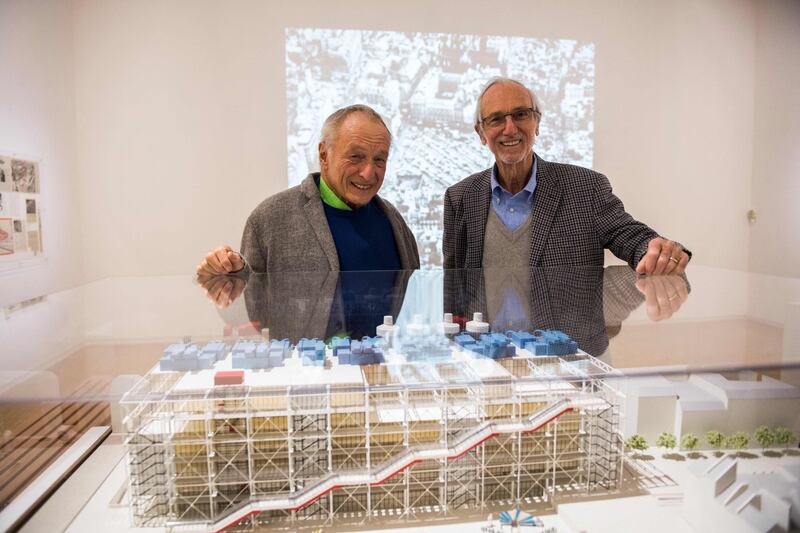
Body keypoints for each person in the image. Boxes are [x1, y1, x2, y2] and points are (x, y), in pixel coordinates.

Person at [443, 77, 690, 275]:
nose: (510, 128)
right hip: (486, 338)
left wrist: (656, 251)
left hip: (564, 339)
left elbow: (630, 236)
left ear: (536, 123)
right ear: (481, 133)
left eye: (521, 115)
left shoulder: (586, 188)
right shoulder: (460, 198)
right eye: (496, 119)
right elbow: (453, 287)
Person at [197, 104, 419, 275]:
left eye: (379, 159)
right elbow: (243, 313)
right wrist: (224, 275)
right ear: (323, 154)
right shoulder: (270, 219)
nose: (368, 173)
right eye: (356, 157)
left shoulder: (394, 222)